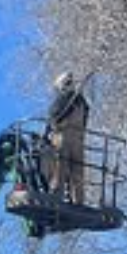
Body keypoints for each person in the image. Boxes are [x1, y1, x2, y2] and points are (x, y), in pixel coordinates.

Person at [46, 71, 90, 203]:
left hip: (63, 136)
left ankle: (57, 197)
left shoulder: (68, 99)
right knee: (75, 171)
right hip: (77, 139)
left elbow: (53, 117)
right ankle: (77, 200)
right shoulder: (80, 102)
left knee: (60, 168)